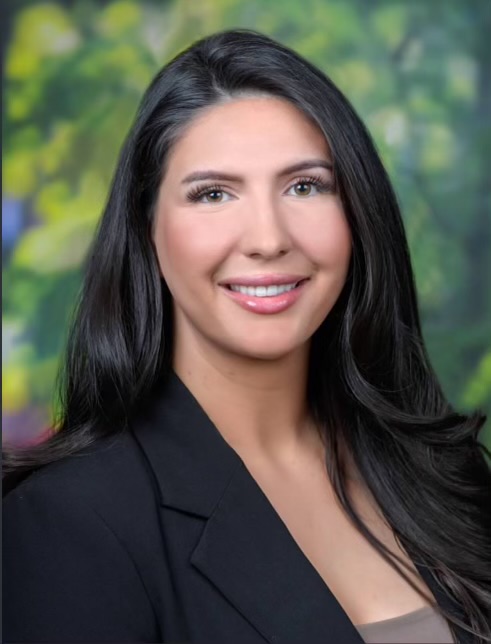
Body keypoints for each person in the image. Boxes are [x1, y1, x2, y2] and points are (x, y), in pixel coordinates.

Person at [3, 29, 490, 644]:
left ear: (358, 213)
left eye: (305, 186)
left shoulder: (441, 469)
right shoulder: (70, 522)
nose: (268, 236)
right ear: (147, 230)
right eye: (213, 194)